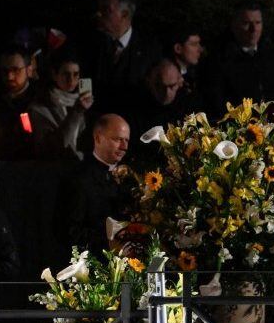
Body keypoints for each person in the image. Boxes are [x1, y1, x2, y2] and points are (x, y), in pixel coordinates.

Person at [77, 0, 160, 112]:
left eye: (106, 10)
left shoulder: (149, 50)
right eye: (99, 9)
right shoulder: (90, 44)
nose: (99, 14)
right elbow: (84, 81)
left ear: (124, 14)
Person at [58, 113, 129, 256]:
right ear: (98, 138)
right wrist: (108, 243)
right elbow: (67, 232)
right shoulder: (78, 179)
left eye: (126, 140)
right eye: (118, 139)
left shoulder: (130, 177)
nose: (124, 147)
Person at [202, 1, 274, 113]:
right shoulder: (219, 60)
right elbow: (215, 100)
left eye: (258, 23)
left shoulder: (272, 56)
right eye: (246, 23)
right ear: (234, 25)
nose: (253, 29)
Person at [121, 60, 197, 155]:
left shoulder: (189, 105)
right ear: (149, 82)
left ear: (180, 82)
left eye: (171, 86)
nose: (166, 93)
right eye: (159, 86)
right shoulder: (133, 107)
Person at [28, 48, 92, 160]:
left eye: (75, 74)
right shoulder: (39, 108)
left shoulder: (84, 101)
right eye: (66, 74)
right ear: (54, 75)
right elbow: (52, 147)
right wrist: (77, 112)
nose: (71, 80)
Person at [0, 47, 38, 160]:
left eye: (16, 70)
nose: (9, 76)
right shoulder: (0, 98)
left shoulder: (40, 99)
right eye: (5, 71)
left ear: (29, 70)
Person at [166, 26, 206, 97]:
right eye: (194, 44)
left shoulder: (192, 74)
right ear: (178, 48)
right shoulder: (168, 78)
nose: (200, 49)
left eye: (199, 44)